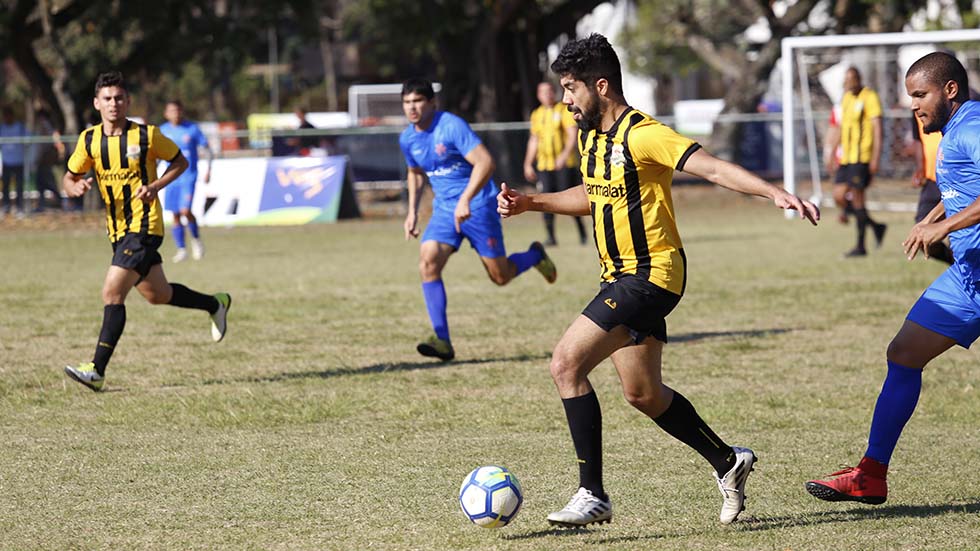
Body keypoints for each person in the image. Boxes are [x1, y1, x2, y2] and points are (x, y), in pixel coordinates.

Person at [497, 34, 820, 528]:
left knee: (565, 365)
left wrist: (772, 191)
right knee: (644, 394)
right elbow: (595, 193)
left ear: (600, 86)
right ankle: (728, 461)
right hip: (618, 279)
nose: (565, 99)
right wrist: (533, 203)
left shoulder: (643, 133)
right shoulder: (591, 137)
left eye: (570, 88)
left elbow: (710, 167)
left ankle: (592, 493)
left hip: (651, 276)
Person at [806, 51, 978, 505]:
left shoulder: (973, 128)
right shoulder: (955, 131)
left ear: (950, 90)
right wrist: (934, 217)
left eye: (920, 95)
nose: (913, 106)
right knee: (903, 353)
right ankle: (871, 474)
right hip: (968, 278)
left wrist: (943, 226)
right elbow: (967, 188)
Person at [62, 71, 231, 392]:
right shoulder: (89, 140)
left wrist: (155, 186)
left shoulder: (147, 136)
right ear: (97, 103)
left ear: (128, 102)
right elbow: (68, 176)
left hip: (144, 226)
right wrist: (73, 186)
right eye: (108, 99)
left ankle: (96, 370)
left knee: (112, 292)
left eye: (120, 98)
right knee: (158, 295)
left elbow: (180, 162)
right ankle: (215, 304)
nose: (114, 104)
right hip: (117, 230)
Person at [400, 78, 557, 362]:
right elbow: (414, 172)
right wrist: (411, 211)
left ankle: (534, 255)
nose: (412, 108)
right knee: (427, 261)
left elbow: (485, 162)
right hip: (446, 209)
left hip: (479, 205)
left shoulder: (451, 126)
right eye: (407, 102)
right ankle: (442, 340)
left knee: (500, 276)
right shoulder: (408, 138)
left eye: (418, 101)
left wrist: (465, 199)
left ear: (432, 103)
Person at [824, 67, 888, 257]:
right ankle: (876, 226)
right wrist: (832, 151)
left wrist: (875, 158)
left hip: (863, 157)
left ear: (859, 79)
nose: (848, 83)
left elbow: (877, 129)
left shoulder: (870, 97)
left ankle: (860, 246)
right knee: (838, 196)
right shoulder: (846, 99)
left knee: (858, 200)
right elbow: (841, 128)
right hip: (847, 157)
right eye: (846, 80)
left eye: (851, 79)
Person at [524, 81, 587, 246]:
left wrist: (565, 155)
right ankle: (551, 237)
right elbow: (534, 140)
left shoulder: (563, 111)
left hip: (565, 165)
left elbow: (572, 135)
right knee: (544, 199)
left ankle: (583, 234)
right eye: (543, 92)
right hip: (545, 166)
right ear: (538, 95)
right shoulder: (537, 114)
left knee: (572, 200)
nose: (547, 95)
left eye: (550, 91)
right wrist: (528, 163)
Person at [160, 99, 213, 262]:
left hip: (188, 176)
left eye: (177, 110)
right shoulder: (162, 131)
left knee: (185, 211)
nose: (175, 114)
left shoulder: (192, 129)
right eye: (172, 111)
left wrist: (209, 169)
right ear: (166, 114)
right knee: (175, 214)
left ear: (181, 111)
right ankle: (181, 249)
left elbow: (207, 149)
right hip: (171, 177)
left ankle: (196, 240)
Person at [910, 113, 954, 264]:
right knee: (922, 235)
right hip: (933, 179)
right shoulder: (917, 110)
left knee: (962, 242)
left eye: (920, 95)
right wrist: (920, 167)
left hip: (958, 179)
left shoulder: (969, 104)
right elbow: (917, 139)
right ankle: (956, 265)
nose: (914, 104)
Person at [33, 109, 65, 213]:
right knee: (40, 183)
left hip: (46, 160)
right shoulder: (43, 126)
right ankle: (41, 204)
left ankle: (60, 202)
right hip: (42, 160)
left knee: (49, 183)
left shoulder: (46, 126)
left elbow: (56, 141)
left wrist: (59, 154)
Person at [0, 105, 28, 218]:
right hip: (6, 162)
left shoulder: (20, 127)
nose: (6, 118)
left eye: (8, 115)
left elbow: (28, 140)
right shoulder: (1, 128)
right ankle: (6, 207)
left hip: (18, 161)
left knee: (19, 186)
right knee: (5, 186)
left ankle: (19, 208)